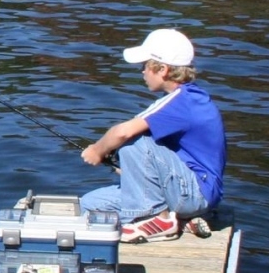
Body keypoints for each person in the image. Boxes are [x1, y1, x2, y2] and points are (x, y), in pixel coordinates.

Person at [80, 29, 226, 243]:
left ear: (163, 69)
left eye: (144, 66)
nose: (141, 72)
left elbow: (122, 132)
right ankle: (182, 221)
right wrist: (128, 168)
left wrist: (97, 150)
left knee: (133, 140)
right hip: (181, 192)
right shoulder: (180, 101)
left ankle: (157, 219)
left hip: (196, 193)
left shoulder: (183, 101)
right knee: (90, 204)